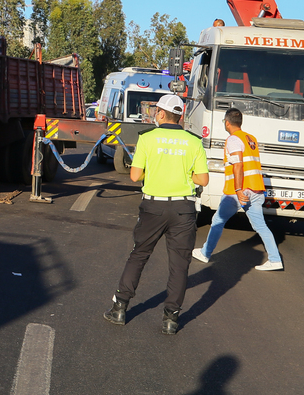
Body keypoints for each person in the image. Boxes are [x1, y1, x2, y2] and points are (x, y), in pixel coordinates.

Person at [103, 94, 209, 335]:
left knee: (139, 255)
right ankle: (171, 319)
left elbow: (134, 175)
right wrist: (184, 174)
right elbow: (203, 179)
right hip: (183, 209)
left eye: (156, 111)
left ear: (161, 114)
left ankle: (120, 308)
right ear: (180, 116)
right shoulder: (194, 142)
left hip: (153, 207)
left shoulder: (147, 138)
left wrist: (152, 171)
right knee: (179, 264)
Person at [193, 109, 283, 270]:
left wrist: (239, 189)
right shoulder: (250, 138)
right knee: (261, 226)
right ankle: (275, 259)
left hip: (239, 192)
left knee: (217, 221)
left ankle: (205, 253)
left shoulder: (233, 139)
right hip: (256, 189)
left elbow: (238, 165)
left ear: (227, 123)